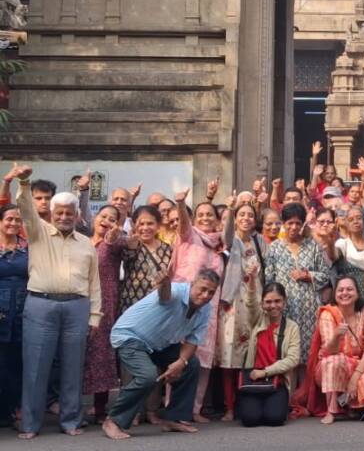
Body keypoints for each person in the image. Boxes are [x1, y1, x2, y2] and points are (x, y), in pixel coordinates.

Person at [13, 164, 101, 439]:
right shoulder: (37, 232)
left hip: (77, 307)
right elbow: (26, 207)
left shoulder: (86, 243)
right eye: (59, 212)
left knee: (73, 367)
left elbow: (93, 281)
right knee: (36, 367)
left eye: (69, 213)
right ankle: (30, 424)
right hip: (40, 305)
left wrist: (95, 315)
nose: (64, 217)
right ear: (51, 215)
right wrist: (25, 182)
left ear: (77, 216)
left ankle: (71, 421)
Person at [102, 268, 220, 440]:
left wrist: (180, 362)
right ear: (192, 284)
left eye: (211, 292)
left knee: (191, 364)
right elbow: (165, 295)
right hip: (130, 336)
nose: (205, 295)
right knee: (148, 376)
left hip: (157, 344)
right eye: (202, 289)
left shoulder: (205, 309)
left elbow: (193, 340)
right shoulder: (178, 291)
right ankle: (113, 421)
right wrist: (164, 283)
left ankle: (173, 418)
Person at [169, 187, 224, 422]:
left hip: (209, 309)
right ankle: (173, 409)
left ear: (217, 219)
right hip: (184, 305)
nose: (204, 218)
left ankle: (195, 409)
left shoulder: (220, 244)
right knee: (179, 357)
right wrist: (180, 204)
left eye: (209, 214)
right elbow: (183, 222)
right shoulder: (189, 235)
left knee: (202, 359)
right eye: (200, 214)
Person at [218, 201, 266, 422]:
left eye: (250, 215)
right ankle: (229, 406)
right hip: (232, 304)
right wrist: (230, 209)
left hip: (255, 304)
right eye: (242, 215)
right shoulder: (230, 240)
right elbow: (226, 235)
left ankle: (248, 403)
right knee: (230, 357)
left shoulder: (259, 241)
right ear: (235, 218)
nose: (246, 218)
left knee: (251, 356)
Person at [265, 203, 328, 367]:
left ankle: (305, 392)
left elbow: (325, 276)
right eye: (289, 223)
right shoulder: (274, 248)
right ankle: (286, 392)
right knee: (285, 354)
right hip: (283, 310)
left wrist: (307, 275)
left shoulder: (312, 246)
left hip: (309, 310)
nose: (294, 227)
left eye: (298, 223)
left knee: (308, 358)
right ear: (283, 223)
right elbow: (268, 279)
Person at [314, 275, 364, 424]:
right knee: (333, 361)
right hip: (329, 366)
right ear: (335, 294)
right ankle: (331, 410)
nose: (345, 293)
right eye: (340, 290)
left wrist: (355, 378)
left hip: (358, 364)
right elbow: (329, 352)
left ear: (357, 293)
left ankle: (352, 407)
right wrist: (336, 335)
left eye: (349, 289)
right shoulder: (328, 314)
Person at [237, 282, 301, 427]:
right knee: (250, 419)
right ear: (262, 303)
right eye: (268, 302)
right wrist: (252, 282)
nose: (273, 306)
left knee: (275, 418)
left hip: (277, 381)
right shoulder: (256, 320)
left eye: (277, 301)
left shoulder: (292, 327)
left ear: (284, 302)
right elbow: (251, 304)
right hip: (252, 380)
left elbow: (293, 359)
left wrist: (265, 372)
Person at [83, 205, 125, 422]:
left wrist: (116, 233)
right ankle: (70, 407)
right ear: (94, 217)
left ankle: (100, 409)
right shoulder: (82, 241)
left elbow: (125, 243)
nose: (106, 220)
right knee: (76, 354)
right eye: (103, 216)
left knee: (101, 354)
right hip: (79, 300)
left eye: (112, 218)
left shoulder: (114, 242)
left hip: (105, 303)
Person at [0, 204, 26, 428]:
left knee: (17, 363)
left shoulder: (28, 248)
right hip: (0, 309)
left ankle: (13, 408)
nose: (13, 223)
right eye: (9, 219)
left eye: (18, 220)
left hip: (23, 311)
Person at [327, 204, 364, 302]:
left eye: (359, 218)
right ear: (346, 224)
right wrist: (330, 241)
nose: (356, 222)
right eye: (351, 220)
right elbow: (333, 256)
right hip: (350, 299)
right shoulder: (343, 244)